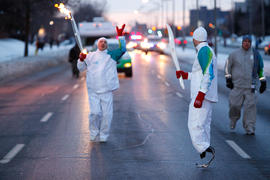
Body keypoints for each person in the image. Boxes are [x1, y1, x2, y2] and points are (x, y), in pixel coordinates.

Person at [77, 24, 126, 142]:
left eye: (105, 42)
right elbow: (80, 68)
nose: (103, 43)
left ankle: (104, 135)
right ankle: (93, 132)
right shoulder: (90, 56)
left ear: (106, 45)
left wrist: (120, 37)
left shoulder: (112, 55)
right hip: (93, 90)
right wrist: (81, 59)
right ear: (97, 44)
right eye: (101, 42)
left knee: (107, 115)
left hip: (106, 90)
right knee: (95, 113)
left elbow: (123, 49)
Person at [176, 27, 218, 161]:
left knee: (194, 124)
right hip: (206, 94)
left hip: (202, 94)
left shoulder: (204, 51)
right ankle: (204, 147)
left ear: (195, 39)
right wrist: (185, 75)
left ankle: (204, 147)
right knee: (203, 124)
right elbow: (198, 74)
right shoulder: (206, 50)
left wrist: (201, 94)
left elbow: (208, 74)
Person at [224, 35, 267, 135]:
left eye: (249, 41)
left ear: (251, 43)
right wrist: (228, 79)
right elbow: (227, 67)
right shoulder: (234, 54)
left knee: (250, 108)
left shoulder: (256, 55)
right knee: (234, 105)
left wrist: (263, 82)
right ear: (242, 42)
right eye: (245, 41)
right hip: (237, 86)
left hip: (250, 87)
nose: (247, 43)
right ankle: (233, 121)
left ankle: (250, 127)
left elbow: (260, 70)